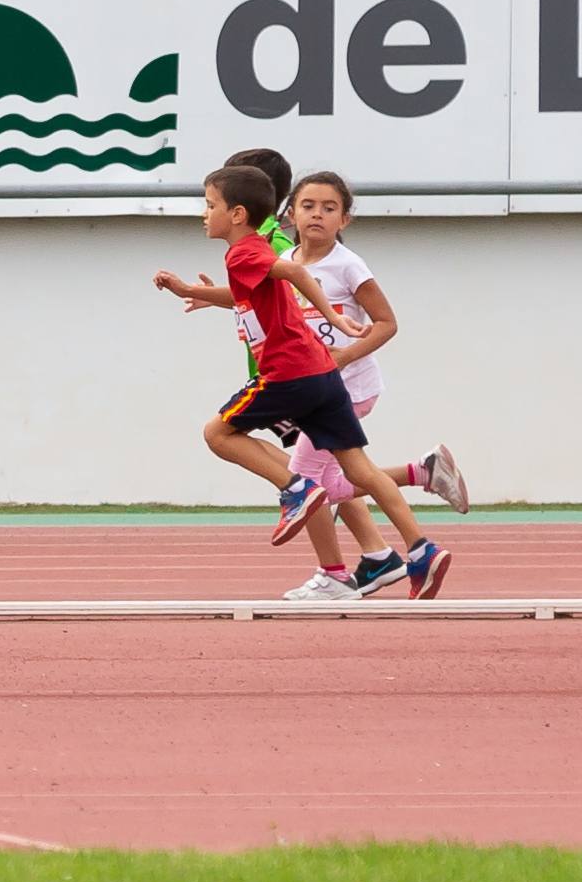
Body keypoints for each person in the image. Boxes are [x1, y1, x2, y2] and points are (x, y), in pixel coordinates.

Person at [152, 165, 452, 595]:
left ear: (237, 214)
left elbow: (294, 278)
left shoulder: (248, 253)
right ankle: (421, 549)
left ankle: (302, 503)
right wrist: (192, 291)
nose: (204, 213)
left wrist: (335, 320)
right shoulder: (271, 254)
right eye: (307, 206)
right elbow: (247, 293)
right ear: (289, 212)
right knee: (359, 471)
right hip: (326, 377)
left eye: (209, 205)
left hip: (290, 374)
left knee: (217, 433)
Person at [264, 172, 466, 599]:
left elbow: (387, 324)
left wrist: (341, 359)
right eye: (308, 206)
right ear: (291, 215)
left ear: (345, 220)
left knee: (304, 483)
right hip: (310, 391)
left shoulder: (347, 265)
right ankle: (420, 476)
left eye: (329, 208)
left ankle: (335, 575)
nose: (317, 214)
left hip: (346, 391)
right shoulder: (288, 265)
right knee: (330, 484)